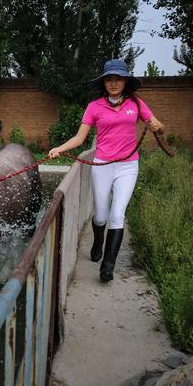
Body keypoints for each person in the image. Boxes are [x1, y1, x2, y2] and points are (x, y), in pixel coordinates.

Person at [48, 59, 163, 282]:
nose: (113, 83)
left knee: (117, 214)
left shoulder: (136, 104)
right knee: (101, 215)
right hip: (102, 165)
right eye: (109, 79)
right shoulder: (94, 106)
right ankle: (98, 241)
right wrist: (59, 149)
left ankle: (107, 268)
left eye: (118, 79)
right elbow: (80, 138)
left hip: (128, 166)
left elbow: (160, 126)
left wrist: (159, 126)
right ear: (104, 83)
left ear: (125, 81)